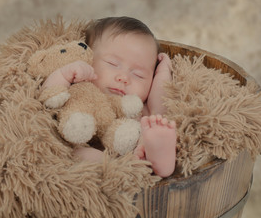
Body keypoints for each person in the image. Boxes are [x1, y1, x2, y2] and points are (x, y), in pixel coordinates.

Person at [42, 17, 176, 177]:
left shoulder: (138, 107)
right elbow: (48, 97)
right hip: (83, 145)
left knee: (156, 118)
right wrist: (64, 74)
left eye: (139, 74)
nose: (124, 77)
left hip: (133, 148)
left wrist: (163, 72)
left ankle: (160, 159)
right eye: (113, 64)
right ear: (89, 58)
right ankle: (123, 168)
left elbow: (160, 99)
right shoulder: (79, 86)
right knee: (80, 153)